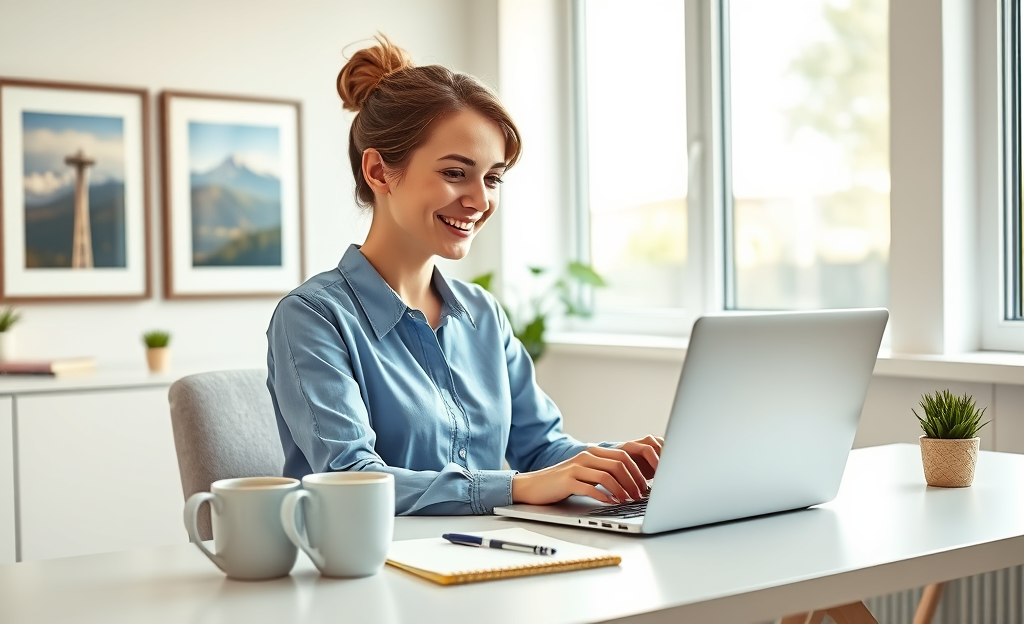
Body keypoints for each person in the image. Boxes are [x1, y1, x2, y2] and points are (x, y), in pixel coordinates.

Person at [266, 35, 663, 515]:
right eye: (456, 172)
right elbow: (352, 478)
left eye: (493, 177)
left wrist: (616, 464)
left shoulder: (483, 315)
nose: (479, 200)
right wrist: (515, 488)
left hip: (485, 560)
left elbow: (541, 451)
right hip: (370, 575)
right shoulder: (313, 317)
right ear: (378, 172)